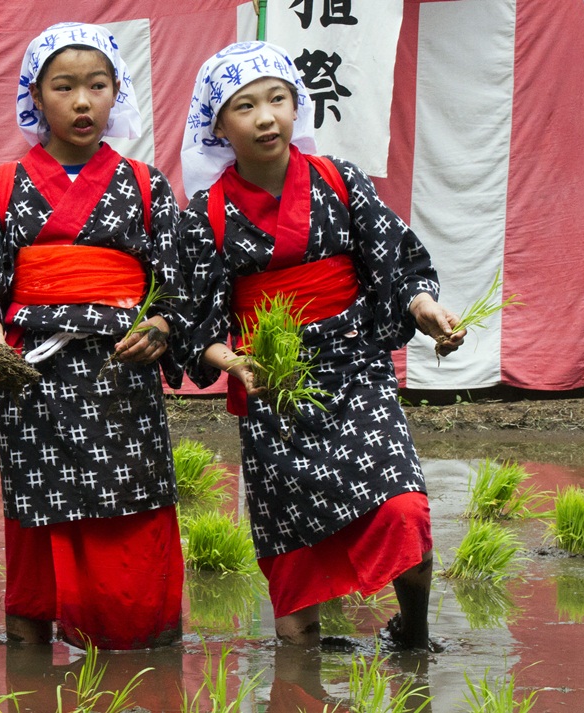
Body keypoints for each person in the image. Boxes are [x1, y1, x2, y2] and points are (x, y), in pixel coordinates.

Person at [177, 41, 465, 649]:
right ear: (217, 125)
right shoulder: (204, 214)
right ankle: (300, 670)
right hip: (275, 389)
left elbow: (397, 263)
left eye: (278, 99)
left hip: (356, 375)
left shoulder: (339, 180)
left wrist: (425, 306)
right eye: (244, 106)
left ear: (296, 106)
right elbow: (195, 322)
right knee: (296, 554)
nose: (265, 117)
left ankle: (413, 633)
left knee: (403, 511)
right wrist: (235, 361)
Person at [0, 22, 188, 650]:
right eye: (63, 87)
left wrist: (164, 323)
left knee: (131, 518)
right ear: (34, 96)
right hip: (34, 380)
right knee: (39, 523)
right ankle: (31, 664)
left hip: (122, 378)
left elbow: (177, 282)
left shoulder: (147, 185)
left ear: (117, 91)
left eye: (97, 85)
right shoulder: (3, 186)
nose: (82, 101)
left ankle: (141, 654)